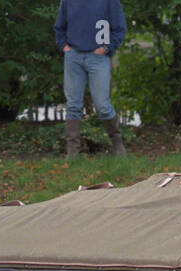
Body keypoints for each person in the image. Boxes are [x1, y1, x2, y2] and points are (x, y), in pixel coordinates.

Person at [54, 0, 127, 158]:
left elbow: (120, 28)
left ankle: (117, 144)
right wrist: (64, 47)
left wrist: (107, 48)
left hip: (98, 58)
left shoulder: (109, 2)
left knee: (102, 105)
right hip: (73, 56)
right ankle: (72, 152)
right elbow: (59, 27)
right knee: (73, 105)